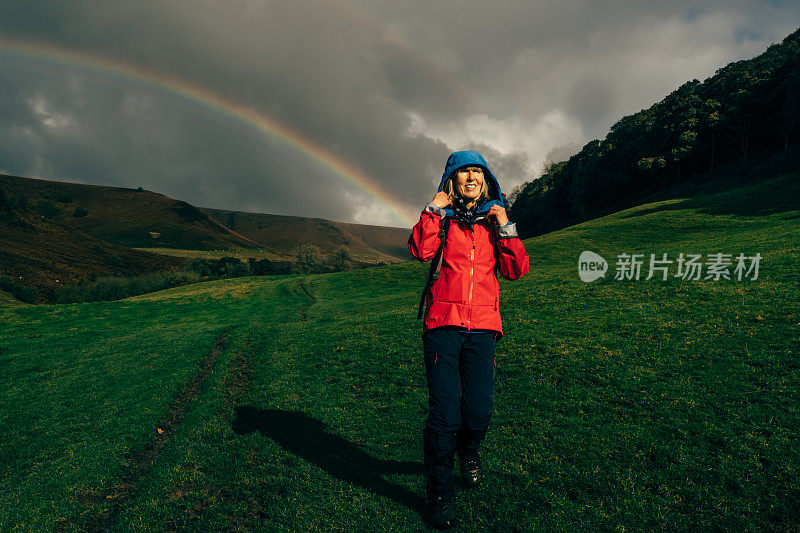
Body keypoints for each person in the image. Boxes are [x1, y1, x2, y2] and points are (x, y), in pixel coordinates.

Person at [407, 150, 530, 529]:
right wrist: (432, 210)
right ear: (451, 180)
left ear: (487, 179)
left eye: (477, 171)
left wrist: (506, 224)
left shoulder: (493, 220)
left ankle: (469, 450)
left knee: (479, 411)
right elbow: (419, 250)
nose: (471, 177)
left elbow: (516, 271)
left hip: (483, 327)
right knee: (444, 415)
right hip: (443, 324)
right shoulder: (442, 219)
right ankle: (440, 492)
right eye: (464, 172)